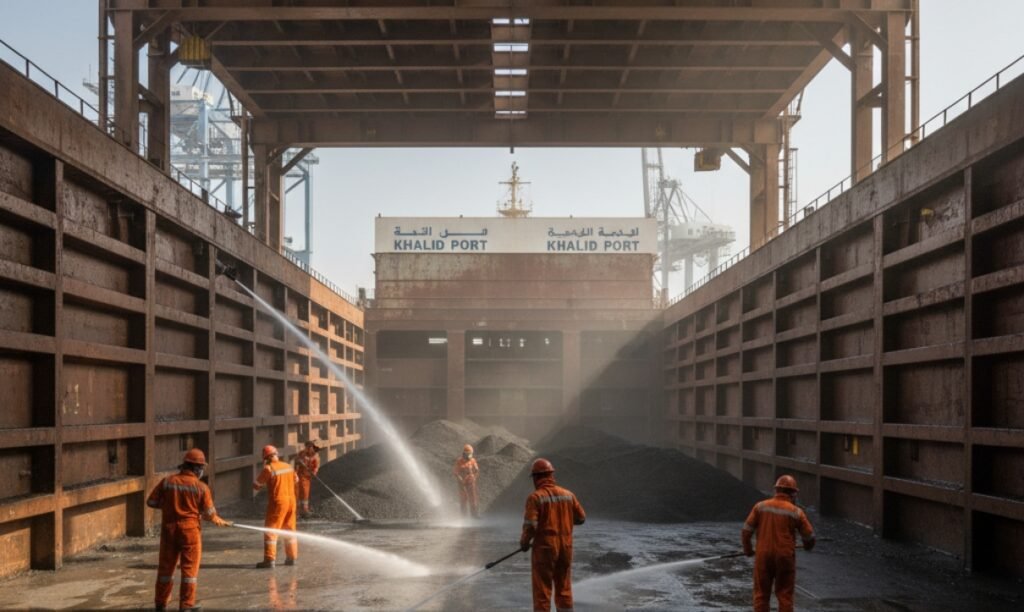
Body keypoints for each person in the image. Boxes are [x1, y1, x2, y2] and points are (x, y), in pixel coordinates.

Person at [146, 448, 232, 612]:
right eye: (201, 468)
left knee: (166, 568)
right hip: (190, 531)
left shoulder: (167, 481)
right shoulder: (201, 487)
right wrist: (219, 520)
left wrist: (169, 507)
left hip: (169, 530)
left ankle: (160, 604)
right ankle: (186, 605)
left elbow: (151, 502)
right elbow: (209, 514)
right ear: (197, 468)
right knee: (189, 571)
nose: (202, 471)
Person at [741, 474, 816, 612]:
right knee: (785, 595)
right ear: (793, 493)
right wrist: (807, 546)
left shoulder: (760, 507)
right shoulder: (796, 512)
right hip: (784, 557)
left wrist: (748, 550)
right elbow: (809, 535)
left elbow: (746, 531)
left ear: (776, 490)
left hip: (763, 556)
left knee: (761, 595)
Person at [519, 458, 586, 612]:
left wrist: (524, 542)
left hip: (545, 549)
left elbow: (530, 526)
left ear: (536, 477)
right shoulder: (568, 494)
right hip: (566, 548)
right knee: (564, 587)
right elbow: (581, 518)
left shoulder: (535, 498)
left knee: (542, 589)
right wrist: (565, 521)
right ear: (551, 475)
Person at [253, 444, 299, 568]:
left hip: (278, 502)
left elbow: (256, 485)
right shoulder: (289, 466)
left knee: (271, 530)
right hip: (291, 502)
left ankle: (269, 560)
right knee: (289, 529)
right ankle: (292, 558)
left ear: (266, 458)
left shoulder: (269, 468)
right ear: (276, 455)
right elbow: (297, 480)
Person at [453, 443, 480, 518]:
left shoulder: (473, 461)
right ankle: (463, 517)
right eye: (469, 454)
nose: (470, 455)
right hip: (462, 484)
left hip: (471, 483)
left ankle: (474, 516)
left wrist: (474, 477)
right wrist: (460, 479)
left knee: (473, 499)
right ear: (464, 453)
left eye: (471, 454)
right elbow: (455, 472)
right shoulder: (459, 462)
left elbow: (477, 470)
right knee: (463, 500)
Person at [294, 440, 320, 517]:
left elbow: (316, 466)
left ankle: (304, 510)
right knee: (297, 493)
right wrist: (299, 462)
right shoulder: (301, 454)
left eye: (310, 447)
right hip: (299, 475)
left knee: (305, 494)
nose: (308, 448)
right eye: (307, 447)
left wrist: (314, 473)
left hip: (307, 477)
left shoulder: (315, 455)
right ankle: (297, 511)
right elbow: (296, 462)